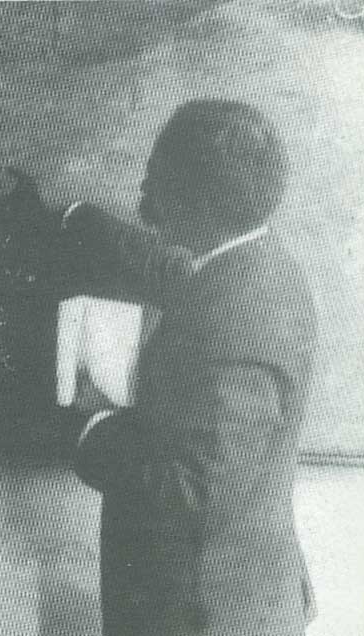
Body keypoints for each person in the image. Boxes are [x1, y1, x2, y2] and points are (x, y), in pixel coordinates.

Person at [64, 99, 318, 636]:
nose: (141, 195)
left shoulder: (243, 317)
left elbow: (194, 497)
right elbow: (169, 269)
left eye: (154, 179)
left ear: (193, 200)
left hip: (204, 614)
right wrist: (70, 220)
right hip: (216, 598)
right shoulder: (247, 264)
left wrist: (93, 432)